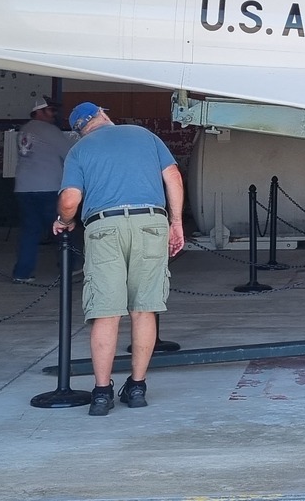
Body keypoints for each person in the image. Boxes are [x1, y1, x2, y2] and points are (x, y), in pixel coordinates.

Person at [52, 102, 184, 416]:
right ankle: (137, 387)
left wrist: (64, 221)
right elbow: (174, 177)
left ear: (79, 130)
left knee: (106, 313)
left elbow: (70, 199)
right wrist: (176, 222)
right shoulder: (144, 135)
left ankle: (101, 393)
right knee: (144, 309)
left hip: (105, 228)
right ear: (103, 113)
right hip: (151, 222)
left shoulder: (79, 150)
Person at [12, 95, 75, 285]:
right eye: (50, 110)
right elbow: (70, 154)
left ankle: (22, 272)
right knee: (62, 227)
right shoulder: (49, 130)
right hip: (48, 187)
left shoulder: (24, 130)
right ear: (39, 111)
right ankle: (70, 266)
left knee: (30, 231)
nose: (54, 114)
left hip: (24, 188)